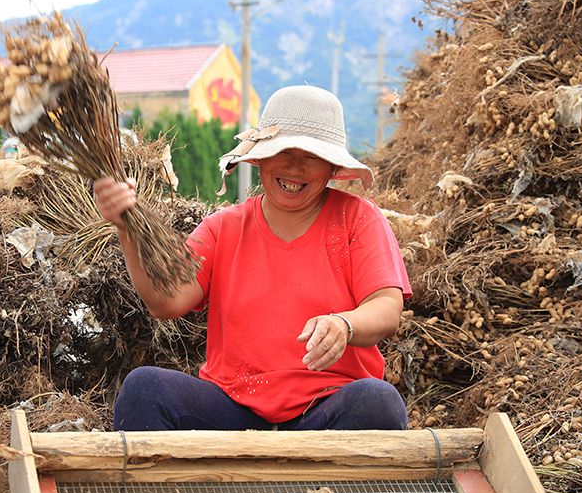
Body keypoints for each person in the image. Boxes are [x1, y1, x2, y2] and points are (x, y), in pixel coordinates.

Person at [93, 85, 412, 432]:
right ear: (259, 158)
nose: (294, 167)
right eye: (283, 153)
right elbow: (166, 301)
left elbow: (386, 308)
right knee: (145, 389)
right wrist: (126, 227)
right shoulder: (223, 228)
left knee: (378, 402)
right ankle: (168, 489)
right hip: (232, 408)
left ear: (332, 168)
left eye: (310, 157)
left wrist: (344, 325)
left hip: (326, 409)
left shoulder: (357, 219)